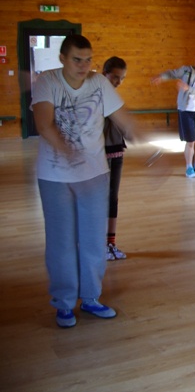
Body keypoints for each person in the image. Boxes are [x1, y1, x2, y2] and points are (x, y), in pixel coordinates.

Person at [31, 34, 136, 328]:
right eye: (77, 59)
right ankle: (64, 303)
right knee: (62, 242)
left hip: (94, 175)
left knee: (93, 240)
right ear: (62, 58)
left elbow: (122, 116)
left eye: (88, 60)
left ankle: (90, 297)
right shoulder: (47, 82)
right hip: (55, 177)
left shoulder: (99, 83)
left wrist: (142, 135)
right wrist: (68, 152)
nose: (83, 65)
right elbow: (43, 124)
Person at [152, 52, 195, 178]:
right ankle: (189, 167)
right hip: (185, 111)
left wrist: (187, 88)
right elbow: (172, 73)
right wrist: (161, 77)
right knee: (190, 141)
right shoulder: (186, 70)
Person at [103, 57, 128, 260]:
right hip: (99, 154)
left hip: (117, 151)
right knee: (99, 199)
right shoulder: (96, 96)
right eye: (115, 77)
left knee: (113, 198)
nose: (118, 82)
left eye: (122, 78)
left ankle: (110, 243)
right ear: (105, 74)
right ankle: (98, 243)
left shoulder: (115, 97)